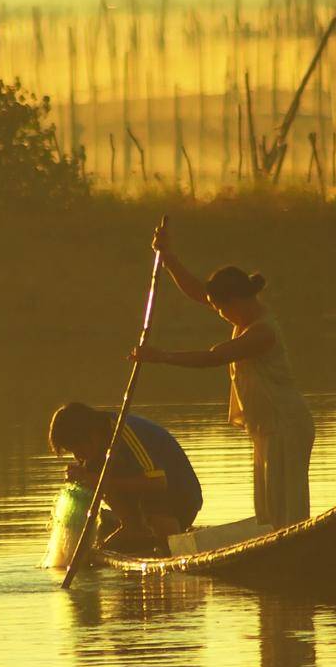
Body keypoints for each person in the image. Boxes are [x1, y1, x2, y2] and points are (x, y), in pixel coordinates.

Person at [130, 220, 315, 529]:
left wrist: (160, 357)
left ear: (237, 300)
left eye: (221, 308)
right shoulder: (242, 315)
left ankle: (295, 552)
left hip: (286, 425)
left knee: (287, 510)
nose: (219, 313)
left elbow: (213, 357)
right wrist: (168, 256)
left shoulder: (262, 332)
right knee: (268, 509)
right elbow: (197, 291)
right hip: (266, 428)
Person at [48, 402, 203, 554]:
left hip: (180, 497)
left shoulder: (123, 433)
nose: (77, 456)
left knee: (101, 480)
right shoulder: (93, 451)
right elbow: (98, 482)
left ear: (92, 433)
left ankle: (168, 540)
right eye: (72, 451)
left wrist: (100, 481)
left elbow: (158, 483)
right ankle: (132, 526)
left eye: (78, 447)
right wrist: (83, 478)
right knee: (93, 475)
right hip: (143, 496)